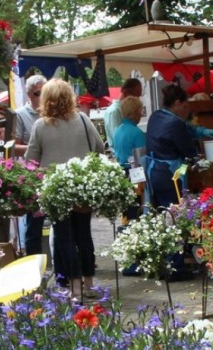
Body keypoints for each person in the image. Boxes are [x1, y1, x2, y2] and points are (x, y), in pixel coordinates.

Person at [25, 79, 105, 298]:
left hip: (55, 190)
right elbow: (99, 147)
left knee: (65, 238)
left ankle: (75, 288)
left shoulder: (41, 126)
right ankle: (89, 284)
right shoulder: (82, 119)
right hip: (82, 188)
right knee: (84, 235)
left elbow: (30, 160)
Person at [144, 84, 213, 280]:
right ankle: (175, 267)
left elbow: (184, 129)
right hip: (170, 175)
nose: (187, 110)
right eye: (185, 106)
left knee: (163, 216)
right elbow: (189, 150)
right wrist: (200, 154)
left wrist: (199, 130)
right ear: (177, 103)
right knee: (174, 217)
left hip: (154, 173)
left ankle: (165, 263)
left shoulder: (155, 116)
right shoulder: (174, 123)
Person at [15, 74, 48, 256]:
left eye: (45, 92)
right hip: (33, 176)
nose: (42, 97)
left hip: (51, 172)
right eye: (38, 93)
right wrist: (35, 147)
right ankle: (34, 265)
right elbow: (13, 146)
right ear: (29, 94)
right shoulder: (21, 115)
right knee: (34, 223)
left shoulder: (51, 114)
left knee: (61, 223)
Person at [111, 95, 147, 223]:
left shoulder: (117, 131)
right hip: (135, 175)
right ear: (135, 112)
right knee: (137, 211)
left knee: (126, 210)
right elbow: (141, 161)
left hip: (122, 174)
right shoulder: (137, 133)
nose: (141, 115)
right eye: (140, 111)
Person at [104, 78, 143, 143]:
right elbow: (119, 140)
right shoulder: (115, 112)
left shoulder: (123, 110)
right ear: (126, 93)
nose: (138, 99)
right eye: (136, 96)